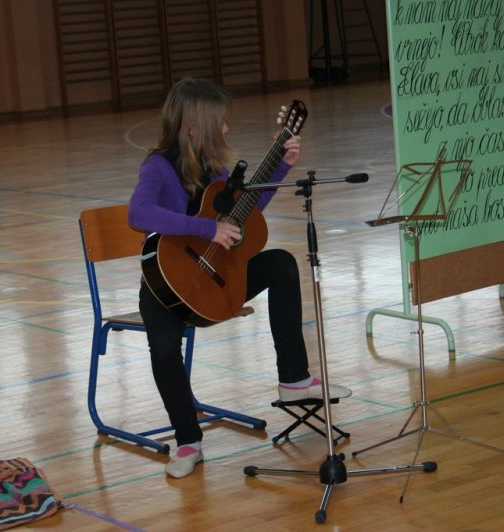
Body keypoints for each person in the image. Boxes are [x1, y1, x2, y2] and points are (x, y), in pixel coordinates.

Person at [128, 77, 351, 479]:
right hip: (167, 285)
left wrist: (282, 164)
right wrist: (204, 230)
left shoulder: (217, 170)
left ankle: (294, 379)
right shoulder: (157, 166)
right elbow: (138, 214)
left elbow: (246, 211)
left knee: (282, 263)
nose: (227, 129)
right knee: (163, 347)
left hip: (216, 283)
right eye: (222, 121)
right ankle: (188, 440)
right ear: (195, 125)